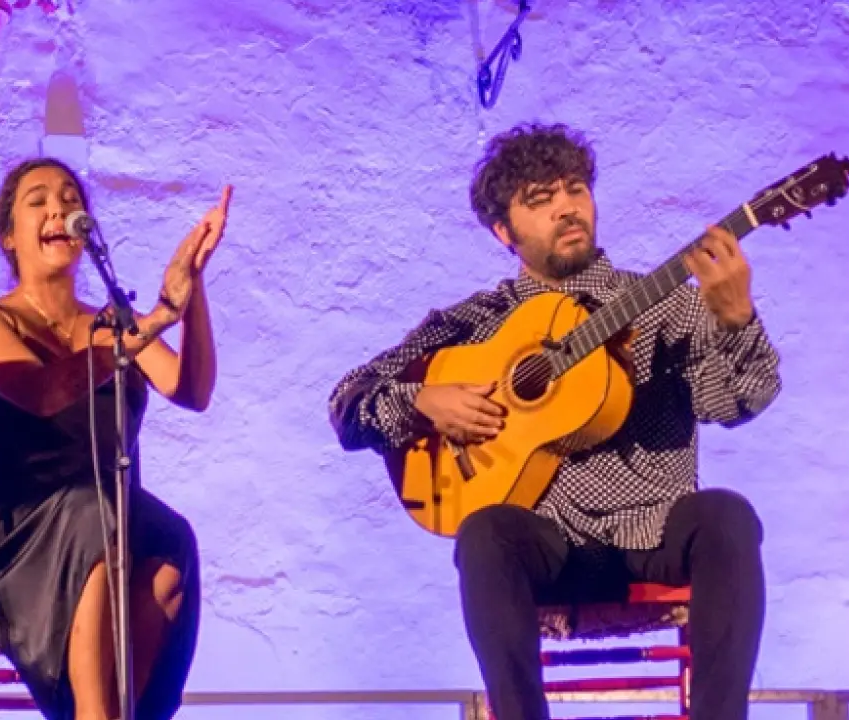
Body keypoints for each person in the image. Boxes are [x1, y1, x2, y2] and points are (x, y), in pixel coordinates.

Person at [327, 123, 781, 720]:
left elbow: (740, 400)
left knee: (727, 515)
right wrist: (423, 401)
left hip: (652, 531)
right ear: (504, 230)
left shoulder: (664, 303)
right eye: (540, 200)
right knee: (484, 535)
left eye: (576, 190)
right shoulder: (476, 322)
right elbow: (347, 405)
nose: (566, 208)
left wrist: (736, 322)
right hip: (546, 545)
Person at [0, 156, 232, 720]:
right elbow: (45, 394)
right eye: (38, 200)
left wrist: (191, 291)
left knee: (168, 536)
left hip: (97, 521)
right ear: (9, 237)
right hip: (3, 531)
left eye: (71, 198)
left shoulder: (113, 323)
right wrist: (158, 318)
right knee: (95, 513)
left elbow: (191, 390)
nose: (59, 209)